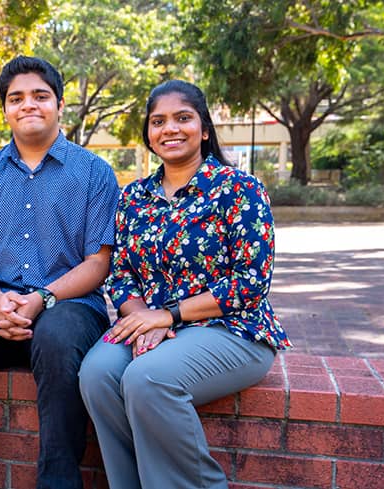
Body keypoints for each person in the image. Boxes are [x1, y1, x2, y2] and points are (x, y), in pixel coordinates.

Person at [78, 80, 292, 489]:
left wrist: (168, 315)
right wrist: (144, 318)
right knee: (97, 374)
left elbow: (250, 283)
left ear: (204, 129)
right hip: (151, 325)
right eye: (158, 121)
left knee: (148, 378)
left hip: (232, 329)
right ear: (148, 134)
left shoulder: (239, 189)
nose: (170, 129)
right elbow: (120, 275)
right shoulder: (133, 197)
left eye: (183, 118)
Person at [0, 56, 120, 489]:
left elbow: (99, 262)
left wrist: (41, 299)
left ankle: (58, 483)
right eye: (17, 98)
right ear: (5, 109)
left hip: (69, 303)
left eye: (40, 96)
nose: (28, 105)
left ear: (60, 104)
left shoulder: (95, 174)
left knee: (56, 339)